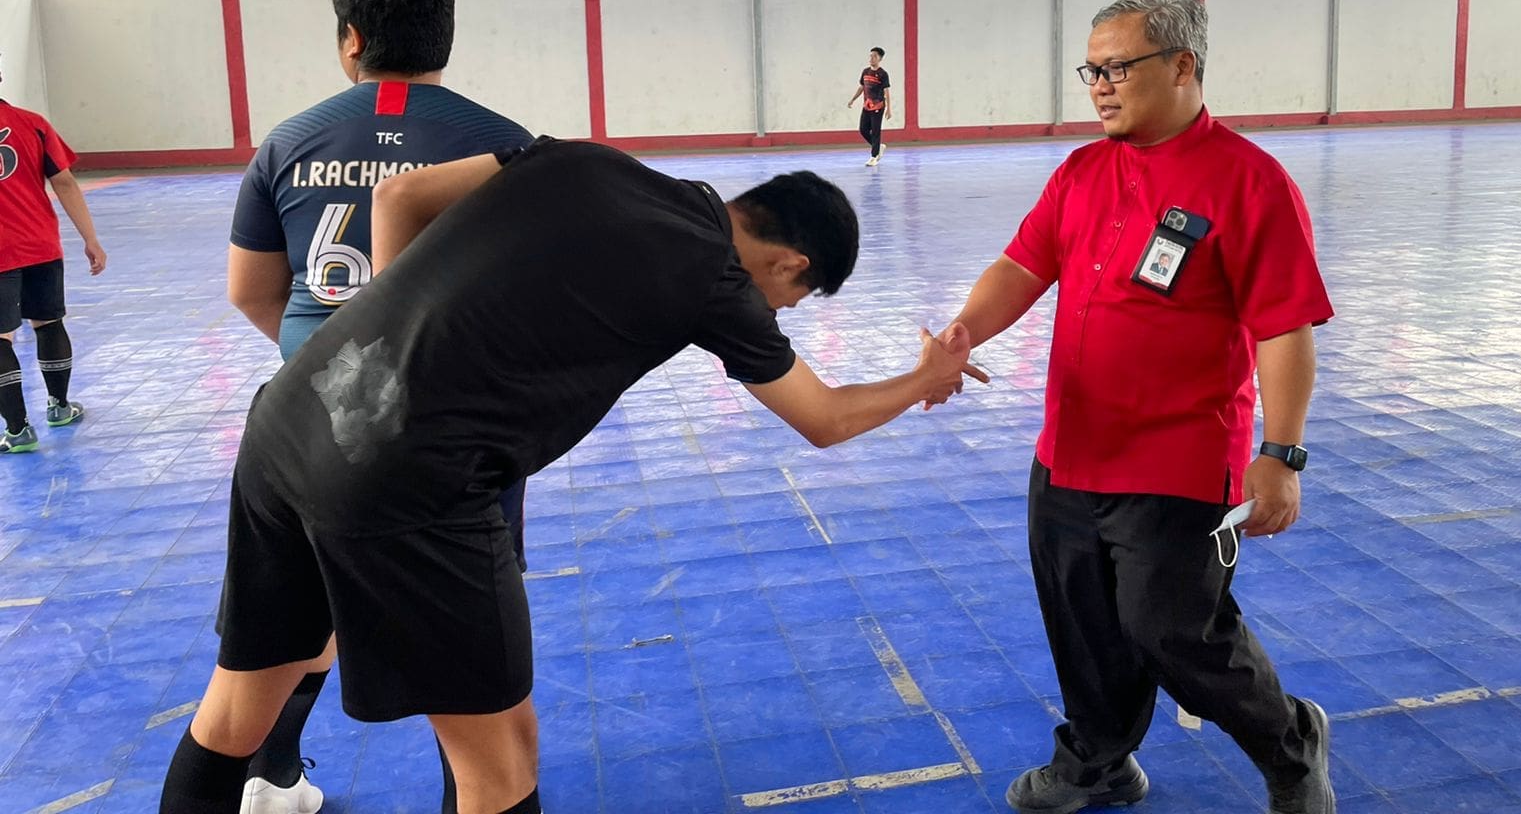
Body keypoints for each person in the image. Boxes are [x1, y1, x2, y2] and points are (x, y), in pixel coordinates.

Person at [159, 139, 981, 814]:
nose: (772, 318)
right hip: (409, 480)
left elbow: (400, 197)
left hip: (295, 413)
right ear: (791, 263)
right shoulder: (714, 275)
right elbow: (825, 419)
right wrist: (924, 379)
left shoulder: (585, 159)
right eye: (787, 305)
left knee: (238, 707)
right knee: (503, 759)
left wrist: (403, 342)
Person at [941, 0, 1337, 814]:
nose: (1101, 86)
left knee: (1175, 632)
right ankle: (1098, 762)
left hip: (1179, 461)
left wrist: (1282, 452)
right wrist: (965, 332)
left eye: (1119, 67)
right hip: (1070, 452)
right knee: (1082, 626)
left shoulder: (1248, 181)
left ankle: (1292, 743)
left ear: (1182, 65)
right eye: (1093, 70)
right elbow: (1022, 266)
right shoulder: (1084, 169)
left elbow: (1283, 327)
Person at [226, 0, 531, 814]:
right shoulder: (502, 147)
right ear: (445, 37)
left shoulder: (288, 144)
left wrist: (330, 361)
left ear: (350, 37)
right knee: (471, 658)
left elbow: (254, 293)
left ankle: (270, 779)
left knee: (292, 622)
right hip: (447, 440)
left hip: (305, 434)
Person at [0, 56, 106, 455]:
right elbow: (63, 181)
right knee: (48, 322)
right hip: (40, 244)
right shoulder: (33, 124)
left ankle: (17, 430)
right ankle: (60, 407)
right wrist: (91, 239)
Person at [846, 46, 892, 166]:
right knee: (863, 129)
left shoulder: (883, 74)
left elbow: (887, 92)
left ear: (880, 59)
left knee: (876, 132)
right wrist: (853, 99)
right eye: (870, 56)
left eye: (875, 56)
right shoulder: (865, 72)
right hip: (866, 106)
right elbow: (862, 87)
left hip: (878, 107)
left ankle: (874, 157)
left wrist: (889, 109)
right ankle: (878, 147)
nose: (871, 58)